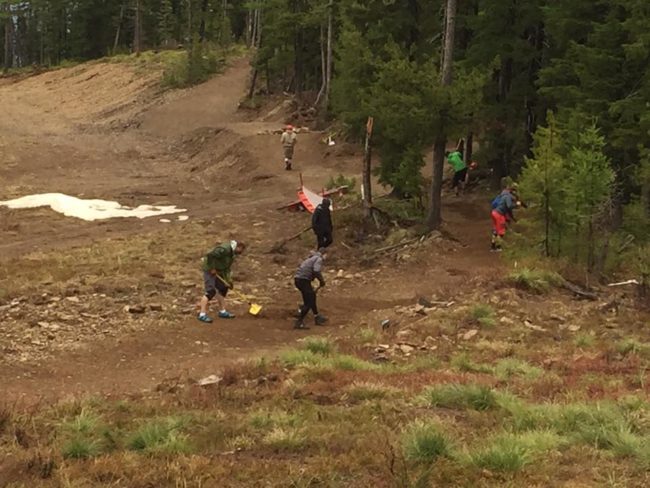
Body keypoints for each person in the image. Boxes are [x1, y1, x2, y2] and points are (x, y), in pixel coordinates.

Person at [198, 240, 246, 323]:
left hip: (219, 271)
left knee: (223, 288)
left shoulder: (232, 254)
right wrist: (212, 268)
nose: (241, 252)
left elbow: (227, 269)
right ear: (239, 247)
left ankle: (222, 312)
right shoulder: (225, 249)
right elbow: (210, 255)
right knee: (210, 291)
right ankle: (202, 315)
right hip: (209, 270)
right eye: (241, 250)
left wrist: (229, 281)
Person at [294, 248, 328, 330]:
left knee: (312, 297)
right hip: (303, 280)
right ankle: (299, 322)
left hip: (299, 280)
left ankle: (317, 316)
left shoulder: (312, 257)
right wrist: (322, 281)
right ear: (325, 254)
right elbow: (316, 271)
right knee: (309, 302)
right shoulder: (319, 259)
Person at [491, 186, 518, 252]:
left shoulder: (503, 195)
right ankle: (498, 247)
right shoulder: (508, 196)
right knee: (501, 231)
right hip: (499, 215)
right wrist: (516, 205)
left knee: (495, 230)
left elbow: (508, 210)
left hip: (494, 212)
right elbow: (509, 206)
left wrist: (513, 218)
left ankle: (493, 246)